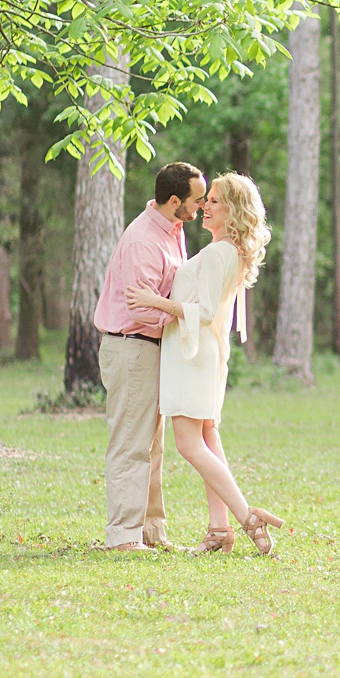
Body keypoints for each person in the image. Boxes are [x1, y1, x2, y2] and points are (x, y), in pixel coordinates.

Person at [128, 172, 286, 555]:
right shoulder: (224, 250)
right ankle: (219, 530)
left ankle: (247, 517)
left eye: (213, 201)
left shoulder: (220, 252)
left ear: (233, 209)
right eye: (206, 200)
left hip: (193, 354)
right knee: (208, 439)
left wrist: (154, 301)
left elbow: (204, 312)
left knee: (188, 445)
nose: (204, 207)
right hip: (202, 354)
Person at [92, 161, 205, 551]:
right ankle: (123, 537)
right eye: (196, 200)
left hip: (153, 348)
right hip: (132, 347)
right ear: (174, 200)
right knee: (131, 442)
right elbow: (141, 309)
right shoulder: (143, 240)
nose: (201, 208)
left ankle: (151, 532)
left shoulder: (173, 230)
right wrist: (184, 318)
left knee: (153, 445)